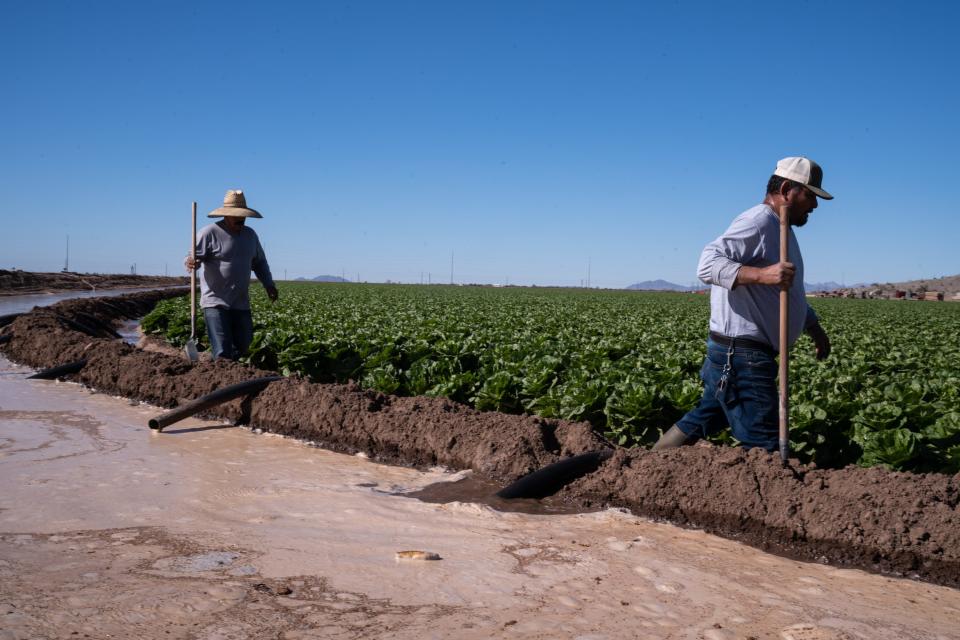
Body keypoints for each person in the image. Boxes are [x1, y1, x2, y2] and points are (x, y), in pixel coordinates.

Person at [653, 157, 833, 452]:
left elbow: (786, 293)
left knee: (704, 418)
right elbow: (708, 265)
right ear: (787, 189)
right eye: (810, 195)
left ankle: (641, 465)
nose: (814, 205)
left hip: (736, 355)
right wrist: (762, 274)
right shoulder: (758, 222)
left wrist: (813, 328)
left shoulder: (782, 229)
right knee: (763, 443)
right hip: (742, 356)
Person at [185, 189, 279, 360]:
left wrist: (269, 284)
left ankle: (233, 375)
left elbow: (259, 263)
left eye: (242, 215)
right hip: (215, 301)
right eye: (236, 215)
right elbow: (192, 258)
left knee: (245, 345)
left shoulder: (250, 235)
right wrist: (192, 262)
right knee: (222, 349)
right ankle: (222, 374)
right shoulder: (208, 233)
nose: (240, 219)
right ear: (226, 214)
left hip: (240, 302)